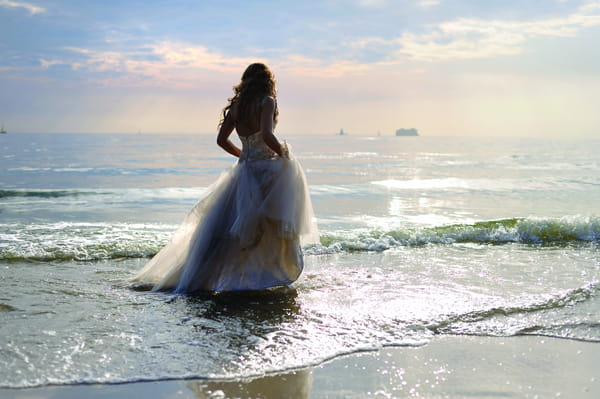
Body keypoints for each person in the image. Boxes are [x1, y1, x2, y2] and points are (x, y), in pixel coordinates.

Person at [132, 63, 319, 293]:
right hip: (265, 172)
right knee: (267, 226)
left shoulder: (236, 107)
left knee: (230, 230)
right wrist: (283, 153)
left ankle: (210, 276)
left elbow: (222, 140)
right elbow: (268, 135)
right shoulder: (267, 101)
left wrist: (244, 154)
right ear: (267, 81)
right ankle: (258, 275)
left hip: (244, 171)